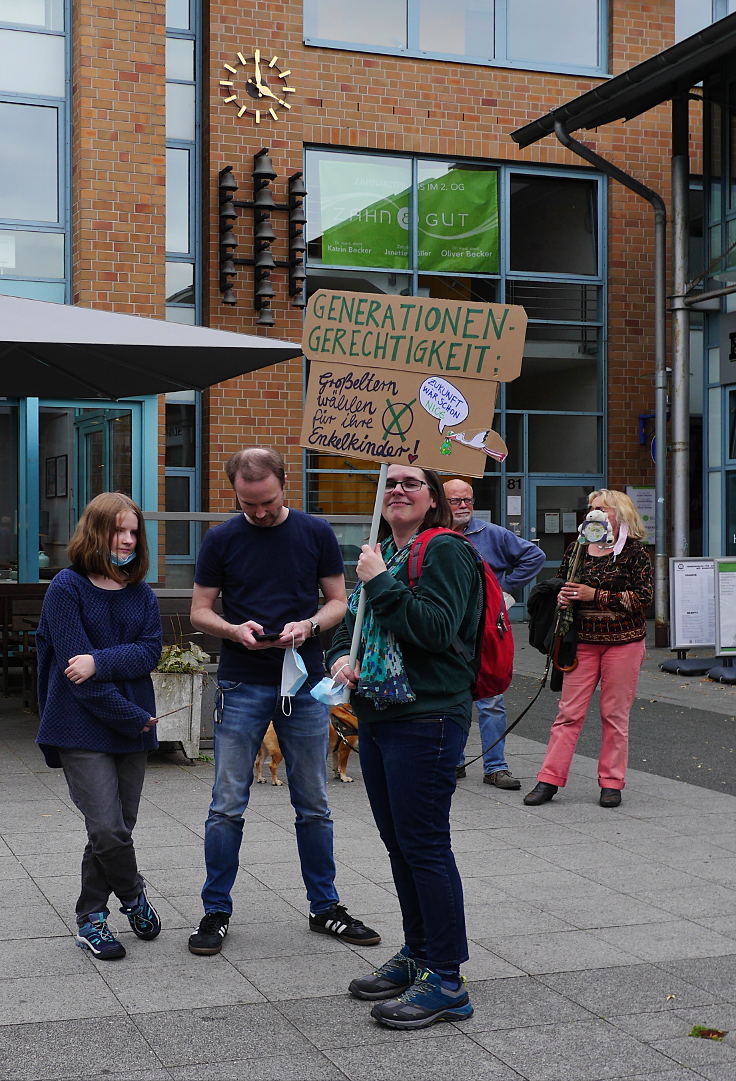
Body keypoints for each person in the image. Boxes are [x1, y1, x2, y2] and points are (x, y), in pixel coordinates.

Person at [187, 447, 379, 955]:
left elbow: (339, 601)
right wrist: (232, 629)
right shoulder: (222, 538)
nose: (260, 514)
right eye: (249, 505)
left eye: (268, 503)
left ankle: (325, 906)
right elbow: (199, 611)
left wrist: (310, 625)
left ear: (285, 484)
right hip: (242, 681)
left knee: (313, 804)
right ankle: (215, 911)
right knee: (227, 805)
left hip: (305, 682)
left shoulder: (314, 533)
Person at [327, 464, 480, 1030]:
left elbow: (438, 630)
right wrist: (339, 657)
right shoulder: (381, 554)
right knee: (400, 844)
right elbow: (353, 626)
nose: (397, 490)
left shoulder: (445, 552)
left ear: (434, 499)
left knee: (425, 845)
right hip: (380, 713)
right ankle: (418, 954)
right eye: (389, 483)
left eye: (411, 483)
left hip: (428, 716)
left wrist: (379, 582)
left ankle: (446, 980)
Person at [35, 492, 163, 960]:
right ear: (96, 531)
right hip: (80, 725)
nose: (127, 540)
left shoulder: (141, 592)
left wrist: (99, 660)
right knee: (108, 829)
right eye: (118, 531)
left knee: (115, 831)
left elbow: (149, 651)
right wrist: (133, 715)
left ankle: (91, 918)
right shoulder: (66, 588)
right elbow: (75, 677)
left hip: (131, 729)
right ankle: (132, 897)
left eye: (133, 532)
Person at [523, 488, 653, 809]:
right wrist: (562, 596)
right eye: (591, 508)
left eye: (602, 508)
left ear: (620, 514)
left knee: (614, 715)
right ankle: (549, 779)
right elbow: (560, 583)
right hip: (582, 642)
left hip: (623, 643)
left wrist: (593, 595)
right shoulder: (577, 549)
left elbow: (643, 599)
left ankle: (611, 782)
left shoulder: (634, 552)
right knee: (568, 713)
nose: (594, 513)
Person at [443, 478, 545, 789]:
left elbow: (535, 556)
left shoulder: (491, 534)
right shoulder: (433, 535)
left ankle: (496, 767)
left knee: (491, 699)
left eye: (468, 500)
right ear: (439, 503)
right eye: (456, 501)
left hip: (487, 631)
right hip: (449, 630)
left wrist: (507, 591)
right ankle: (454, 762)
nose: (464, 506)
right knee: (453, 697)